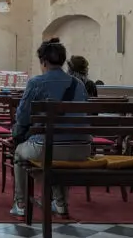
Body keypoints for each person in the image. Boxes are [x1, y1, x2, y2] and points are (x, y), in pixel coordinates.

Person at [9, 37, 90, 218]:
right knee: (56, 146)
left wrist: (19, 134)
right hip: (81, 148)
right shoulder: (79, 85)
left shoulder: (36, 83)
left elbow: (22, 117)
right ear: (62, 61)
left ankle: (20, 203)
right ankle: (60, 204)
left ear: (43, 61)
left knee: (20, 152)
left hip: (47, 148)